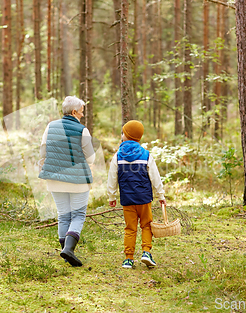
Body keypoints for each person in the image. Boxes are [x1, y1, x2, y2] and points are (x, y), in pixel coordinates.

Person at [38, 96, 95, 267]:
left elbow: (43, 151)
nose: (83, 115)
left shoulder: (50, 126)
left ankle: (65, 252)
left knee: (63, 215)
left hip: (54, 178)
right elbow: (91, 158)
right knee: (78, 215)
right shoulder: (82, 130)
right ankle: (69, 250)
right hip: (77, 180)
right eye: (82, 111)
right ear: (74, 112)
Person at [107, 120, 166, 269]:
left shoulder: (118, 156)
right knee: (146, 225)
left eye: (123, 133)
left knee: (130, 228)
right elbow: (155, 176)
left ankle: (128, 258)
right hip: (144, 198)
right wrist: (161, 195)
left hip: (127, 199)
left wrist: (112, 196)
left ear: (127, 136)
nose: (121, 135)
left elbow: (112, 178)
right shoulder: (146, 154)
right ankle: (146, 252)